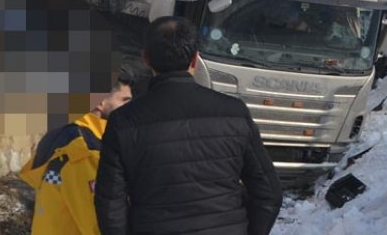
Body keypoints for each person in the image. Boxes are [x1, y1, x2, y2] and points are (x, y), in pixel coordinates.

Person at [94, 17, 282, 235]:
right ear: (195, 59)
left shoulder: (123, 121)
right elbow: (269, 192)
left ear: (146, 58)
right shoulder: (234, 112)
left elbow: (110, 205)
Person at [19, 64, 141, 235]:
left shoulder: (63, 133)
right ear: (100, 101)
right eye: (124, 101)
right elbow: (97, 224)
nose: (129, 108)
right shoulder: (84, 151)